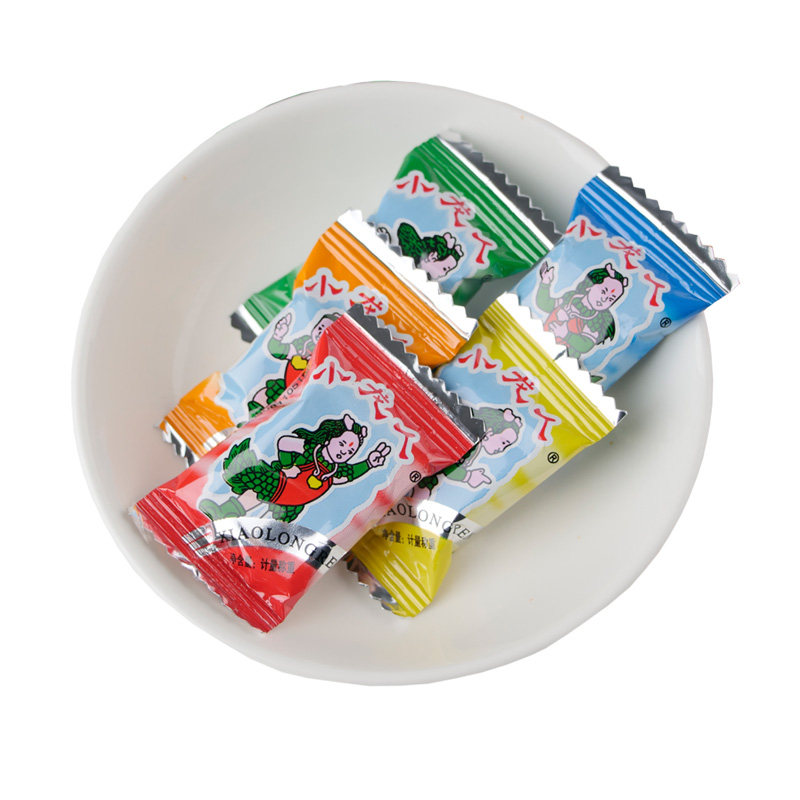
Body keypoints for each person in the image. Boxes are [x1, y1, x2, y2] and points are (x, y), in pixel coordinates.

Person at [199, 414, 391, 523]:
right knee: (257, 491)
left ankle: (252, 537)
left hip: (296, 501)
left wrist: (368, 463)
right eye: (341, 444)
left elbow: (349, 474)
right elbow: (285, 442)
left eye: (350, 451)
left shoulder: (334, 471)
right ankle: (224, 512)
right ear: (329, 438)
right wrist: (287, 465)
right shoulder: (310, 449)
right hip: (282, 483)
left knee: (277, 519)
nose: (344, 452)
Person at [413, 407, 523, 497]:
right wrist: (468, 476)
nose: (502, 449)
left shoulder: (473, 446)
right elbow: (448, 467)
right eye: (504, 443)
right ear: (489, 433)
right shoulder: (467, 443)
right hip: (422, 479)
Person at [247, 312, 338, 416]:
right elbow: (278, 350)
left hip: (301, 401)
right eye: (320, 328)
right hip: (285, 385)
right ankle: (248, 418)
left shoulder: (330, 361)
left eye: (326, 332)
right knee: (263, 395)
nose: (320, 333)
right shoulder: (302, 346)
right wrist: (278, 336)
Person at [534, 260, 628, 358]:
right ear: (590, 286)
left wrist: (566, 334)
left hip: (561, 358)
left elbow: (585, 346)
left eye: (610, 299)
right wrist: (545, 282)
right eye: (603, 291)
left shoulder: (597, 320)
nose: (604, 299)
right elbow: (545, 304)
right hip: (537, 339)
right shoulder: (571, 297)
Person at [396, 222, 464, 280]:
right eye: (444, 269)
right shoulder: (409, 257)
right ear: (432, 257)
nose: (443, 274)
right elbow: (405, 228)